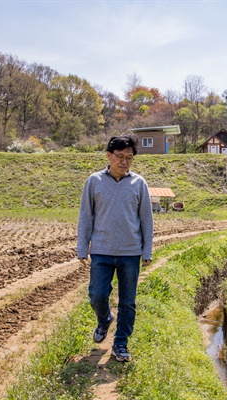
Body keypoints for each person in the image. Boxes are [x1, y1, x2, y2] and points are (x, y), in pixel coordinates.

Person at [77, 135, 154, 362]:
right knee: (96, 294)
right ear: (109, 156)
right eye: (120, 157)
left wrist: (147, 250)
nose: (124, 162)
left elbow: (146, 220)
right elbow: (86, 216)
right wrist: (82, 247)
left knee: (128, 301)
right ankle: (104, 319)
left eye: (129, 158)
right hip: (101, 250)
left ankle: (120, 343)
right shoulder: (94, 181)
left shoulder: (139, 183)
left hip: (130, 252)